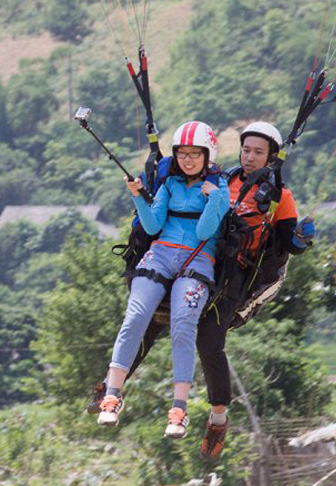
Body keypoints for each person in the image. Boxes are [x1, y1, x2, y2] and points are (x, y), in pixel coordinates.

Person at [89, 121, 316, 456]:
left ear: (271, 157)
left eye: (258, 152)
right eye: (246, 149)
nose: (250, 157)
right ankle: (112, 389)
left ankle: (218, 418)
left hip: (234, 275)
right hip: (189, 259)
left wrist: (300, 239)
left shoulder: (280, 197)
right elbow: (186, 180)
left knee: (208, 343)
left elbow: (287, 244)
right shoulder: (223, 178)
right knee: (147, 321)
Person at [96, 121, 230, 440]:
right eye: (182, 154)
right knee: (136, 316)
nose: (187, 160)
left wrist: (212, 200)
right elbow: (154, 226)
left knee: (183, 325)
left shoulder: (219, 189)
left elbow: (204, 233)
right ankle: (112, 395)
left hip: (198, 259)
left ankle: (179, 408)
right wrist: (139, 197)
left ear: (206, 155)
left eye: (194, 154)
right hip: (160, 254)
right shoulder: (169, 185)